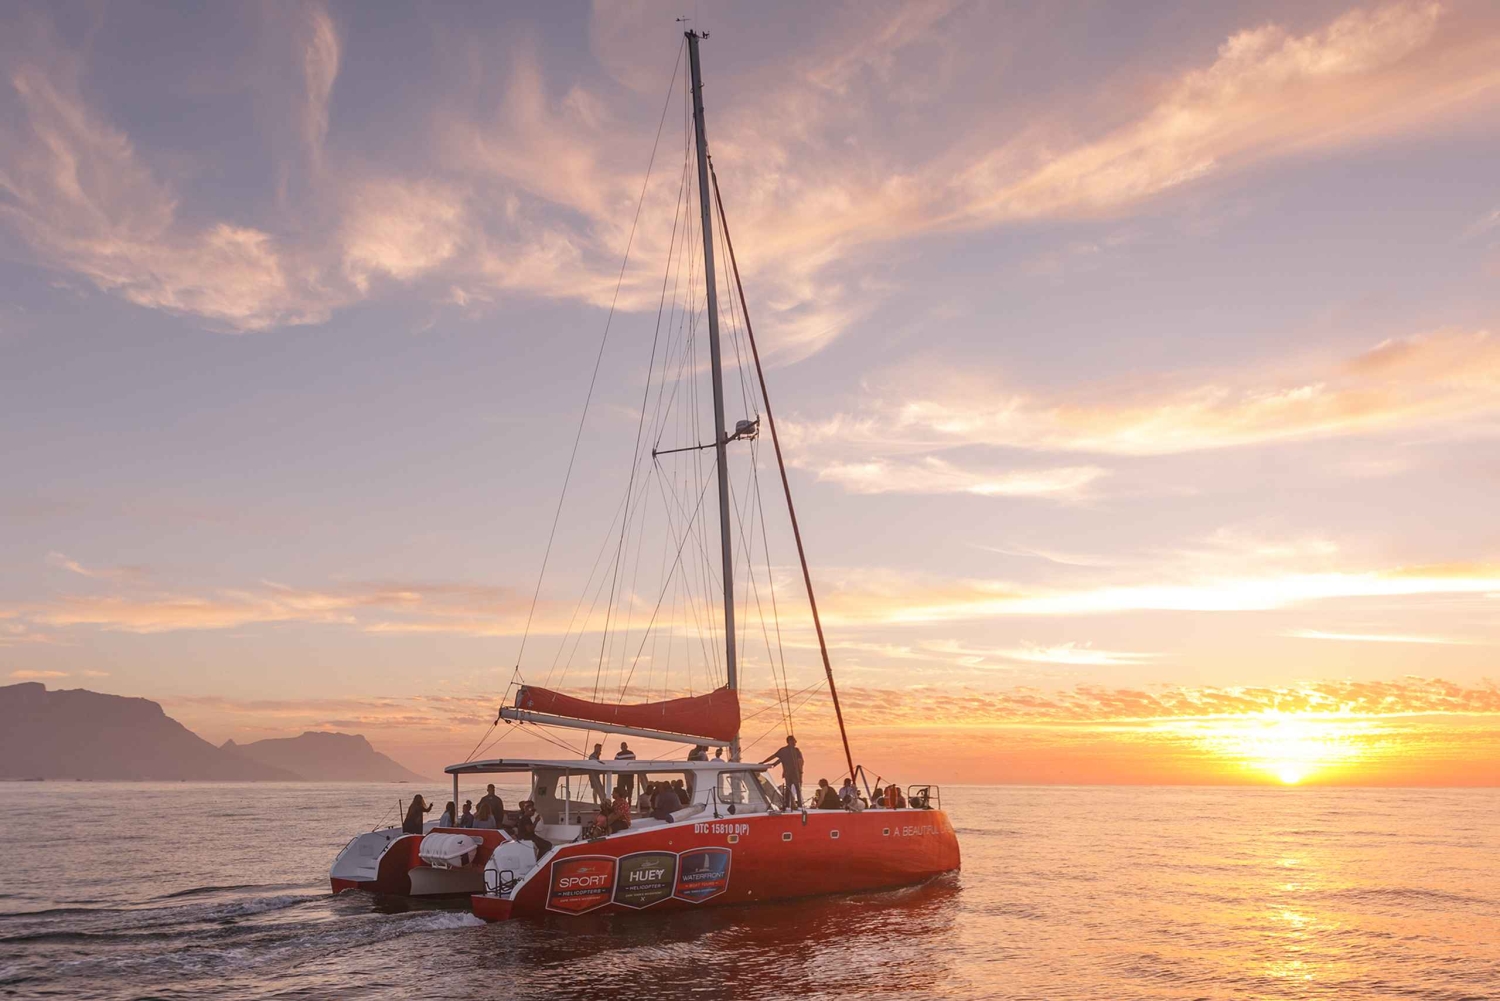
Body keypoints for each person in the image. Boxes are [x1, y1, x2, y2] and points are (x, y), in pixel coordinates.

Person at [760, 735, 804, 808]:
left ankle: (787, 805)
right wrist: (800, 771)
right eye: (794, 741)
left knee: (789, 789)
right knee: (797, 789)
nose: (795, 742)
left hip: (788, 773)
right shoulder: (795, 750)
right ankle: (799, 805)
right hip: (794, 773)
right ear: (789, 741)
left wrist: (767, 763)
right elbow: (800, 761)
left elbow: (777, 758)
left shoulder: (783, 750)